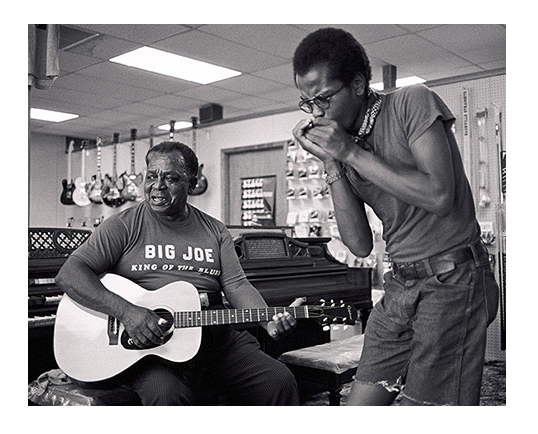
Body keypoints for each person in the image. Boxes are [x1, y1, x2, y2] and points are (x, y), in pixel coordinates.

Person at [291, 27, 499, 406]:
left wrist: (351, 152)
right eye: (307, 103)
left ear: (356, 84)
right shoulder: (345, 147)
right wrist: (333, 161)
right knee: (361, 406)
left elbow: (438, 195)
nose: (317, 112)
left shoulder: (411, 102)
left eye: (323, 98)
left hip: (453, 279)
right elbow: (358, 243)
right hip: (400, 283)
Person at [55, 141, 300, 406]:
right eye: (151, 176)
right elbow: (69, 275)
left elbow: (237, 285)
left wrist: (268, 322)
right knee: (166, 395)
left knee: (278, 381)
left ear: (192, 184)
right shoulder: (123, 226)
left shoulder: (215, 231)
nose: (157, 186)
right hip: (155, 345)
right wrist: (126, 312)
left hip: (215, 337)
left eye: (170, 178)